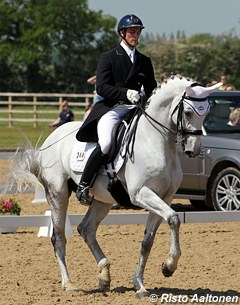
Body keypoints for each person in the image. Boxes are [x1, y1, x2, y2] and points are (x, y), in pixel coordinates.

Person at [75, 14, 157, 205]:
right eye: (132, 32)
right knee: (105, 144)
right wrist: (125, 93)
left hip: (136, 109)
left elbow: (152, 88)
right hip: (112, 108)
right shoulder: (109, 57)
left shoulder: (144, 61)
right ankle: (84, 185)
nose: (135, 35)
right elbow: (101, 87)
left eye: (138, 32)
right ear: (122, 33)